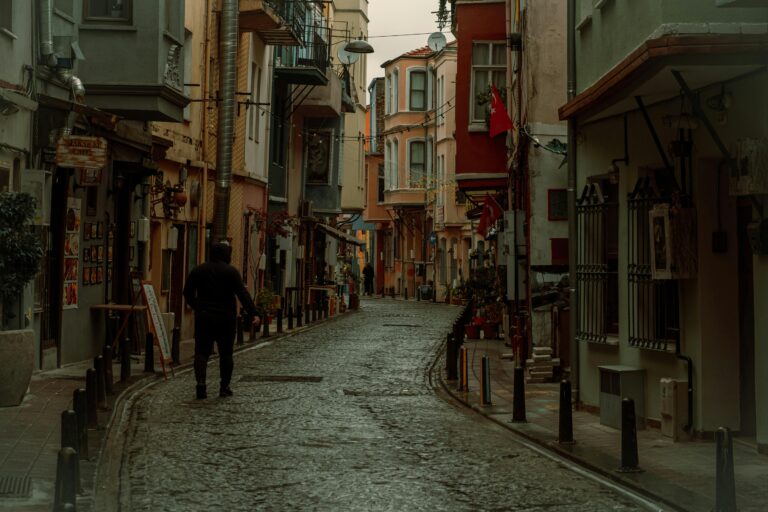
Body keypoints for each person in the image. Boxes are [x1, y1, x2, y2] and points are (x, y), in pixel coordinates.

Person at [183, 242, 262, 399]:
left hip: (204, 317)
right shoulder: (231, 272)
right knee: (226, 354)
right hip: (225, 318)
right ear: (226, 255)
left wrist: (198, 306)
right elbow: (242, 293)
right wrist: (254, 313)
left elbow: (187, 292)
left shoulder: (199, 270)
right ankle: (224, 387)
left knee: (201, 352)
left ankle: (201, 384)